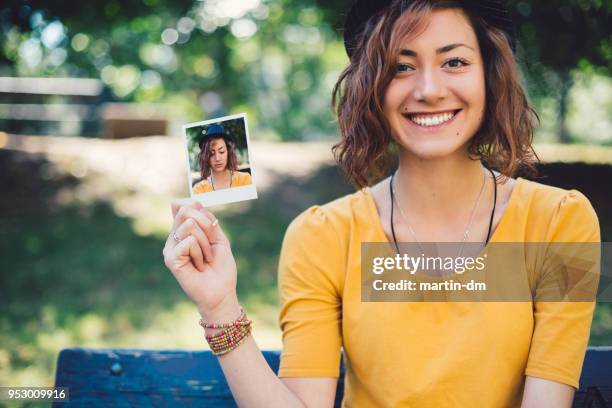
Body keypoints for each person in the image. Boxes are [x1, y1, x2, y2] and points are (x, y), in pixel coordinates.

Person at [163, 1, 600, 406]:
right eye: (401, 66)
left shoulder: (560, 223)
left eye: (454, 62)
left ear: (490, 74)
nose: (429, 89)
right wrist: (220, 307)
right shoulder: (322, 237)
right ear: (372, 85)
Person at [192, 124, 252, 194]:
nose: (217, 158)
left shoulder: (245, 180)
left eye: (221, 152)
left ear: (228, 152)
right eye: (211, 154)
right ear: (205, 157)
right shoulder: (198, 190)